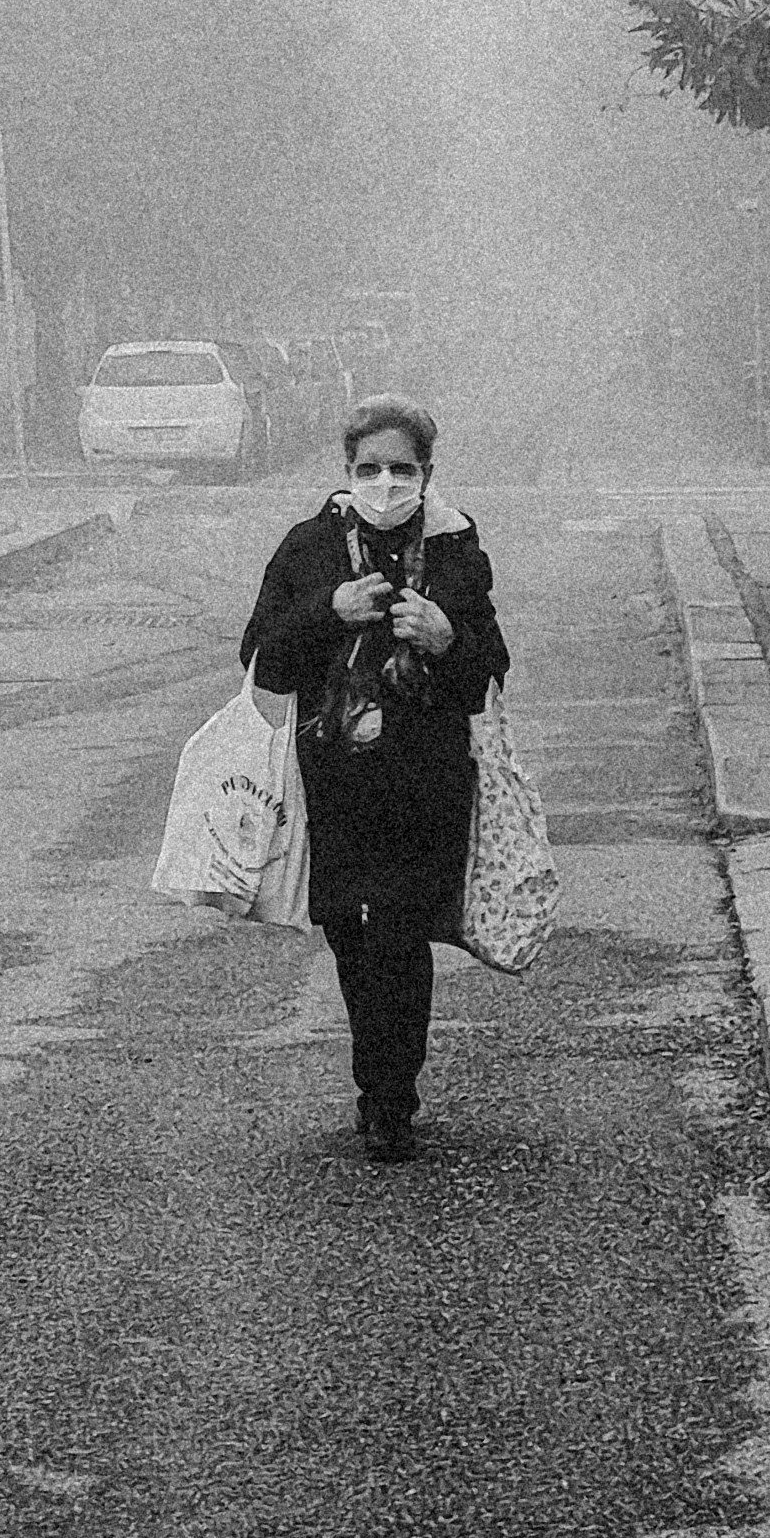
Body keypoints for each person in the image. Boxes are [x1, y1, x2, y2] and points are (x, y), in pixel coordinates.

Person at [242, 392, 510, 1159]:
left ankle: (392, 1096)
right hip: (334, 784)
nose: (386, 483)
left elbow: (486, 676)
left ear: (427, 474)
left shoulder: (456, 550)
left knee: (398, 934)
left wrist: (447, 635)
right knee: (349, 937)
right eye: (370, 468)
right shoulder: (309, 547)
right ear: (347, 470)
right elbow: (267, 660)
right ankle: (378, 1077)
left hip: (423, 783)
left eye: (402, 469)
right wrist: (331, 609)